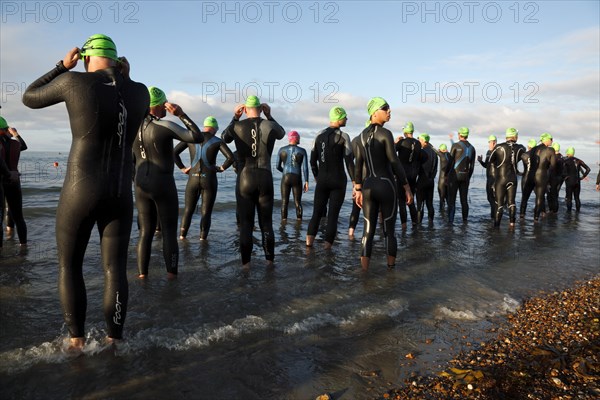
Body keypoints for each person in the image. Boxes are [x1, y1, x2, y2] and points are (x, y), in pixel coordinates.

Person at [22, 34, 149, 350]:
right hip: (120, 192)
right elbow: (124, 97)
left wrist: (61, 66)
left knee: (69, 265)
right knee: (115, 269)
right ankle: (114, 342)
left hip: (81, 189)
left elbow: (29, 97)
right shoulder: (141, 92)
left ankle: (77, 341)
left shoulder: (73, 81)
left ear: (86, 57)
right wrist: (123, 77)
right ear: (118, 60)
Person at [133, 86, 203, 278]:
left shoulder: (133, 127)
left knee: (145, 233)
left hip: (140, 185)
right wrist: (181, 114)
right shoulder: (163, 125)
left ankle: (142, 276)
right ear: (156, 105)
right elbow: (197, 136)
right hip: (162, 183)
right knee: (169, 233)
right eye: (164, 103)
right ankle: (172, 276)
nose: (166, 108)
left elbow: (130, 161)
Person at [221, 96, 285, 269]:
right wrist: (270, 116)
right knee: (266, 224)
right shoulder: (269, 124)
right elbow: (282, 133)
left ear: (245, 109)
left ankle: (246, 266)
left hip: (245, 178)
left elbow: (224, 137)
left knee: (246, 225)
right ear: (261, 108)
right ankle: (270, 262)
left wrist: (235, 117)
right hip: (265, 177)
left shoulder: (237, 125)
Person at [353, 97, 412, 270]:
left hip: (368, 186)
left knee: (367, 230)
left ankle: (364, 274)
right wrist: (406, 186)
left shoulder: (361, 136)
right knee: (389, 231)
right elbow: (394, 162)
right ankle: (390, 273)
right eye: (385, 108)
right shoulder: (385, 134)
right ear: (374, 112)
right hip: (386, 185)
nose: (389, 112)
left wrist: (358, 189)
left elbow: (358, 164)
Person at [174, 116, 234, 241]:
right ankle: (202, 240)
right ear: (215, 129)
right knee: (206, 212)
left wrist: (183, 168)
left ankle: (182, 237)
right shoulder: (217, 141)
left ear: (204, 126)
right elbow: (231, 158)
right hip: (209, 179)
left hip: (193, 179)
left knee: (188, 210)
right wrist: (221, 168)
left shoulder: (191, 138)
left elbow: (174, 153)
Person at [306, 106, 355, 249]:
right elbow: (349, 161)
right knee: (333, 216)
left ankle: (308, 247)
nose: (347, 119)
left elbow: (312, 160)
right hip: (338, 181)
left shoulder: (318, 135)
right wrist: (355, 182)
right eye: (345, 117)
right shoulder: (344, 136)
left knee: (316, 213)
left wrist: (316, 176)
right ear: (339, 119)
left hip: (322, 180)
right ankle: (327, 250)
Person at [487, 128, 526, 227]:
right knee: (511, 202)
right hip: (513, 179)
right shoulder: (521, 148)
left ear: (506, 136)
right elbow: (525, 157)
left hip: (501, 179)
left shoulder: (499, 147)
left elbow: (491, 161)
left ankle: (496, 227)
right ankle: (512, 225)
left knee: (499, 204)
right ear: (516, 136)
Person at [0, 118, 28, 245]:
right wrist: (16, 134)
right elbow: (24, 146)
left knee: (1, 217)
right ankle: (23, 247)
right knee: (18, 216)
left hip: (1, 181)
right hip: (14, 181)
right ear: (7, 130)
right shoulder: (16, 144)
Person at [521, 133, 556, 221]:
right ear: (546, 139)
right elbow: (553, 166)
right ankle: (536, 219)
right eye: (551, 139)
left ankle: (521, 216)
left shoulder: (533, 149)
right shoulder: (550, 150)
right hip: (541, 176)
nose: (552, 141)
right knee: (539, 197)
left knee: (525, 197)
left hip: (530, 175)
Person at [276, 130, 309, 221]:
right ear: (296, 139)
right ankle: (299, 223)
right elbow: (305, 168)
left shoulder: (281, 150)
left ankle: (283, 222)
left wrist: (284, 172)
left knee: (284, 202)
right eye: (299, 138)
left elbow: (277, 166)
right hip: (297, 177)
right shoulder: (302, 151)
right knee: (297, 202)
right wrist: (306, 181)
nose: (300, 139)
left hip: (285, 177)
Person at [394, 121, 421, 228]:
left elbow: (391, 152)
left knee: (401, 201)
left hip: (402, 175)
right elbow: (418, 159)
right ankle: (415, 224)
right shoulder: (418, 143)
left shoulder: (402, 142)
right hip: (413, 175)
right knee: (411, 200)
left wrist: (396, 142)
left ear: (405, 131)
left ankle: (404, 226)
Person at [447, 126, 476, 223]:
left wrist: (447, 174)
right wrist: (468, 177)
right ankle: (465, 222)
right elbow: (472, 167)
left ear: (459, 135)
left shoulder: (455, 145)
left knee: (452, 201)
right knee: (464, 201)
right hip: (465, 177)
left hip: (454, 176)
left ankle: (450, 222)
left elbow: (450, 162)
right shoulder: (472, 148)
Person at [416, 133, 437, 223]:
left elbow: (417, 167)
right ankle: (431, 223)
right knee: (430, 203)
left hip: (421, 180)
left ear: (424, 141)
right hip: (431, 181)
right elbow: (435, 169)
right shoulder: (434, 153)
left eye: (419, 140)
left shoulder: (421, 152)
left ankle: (418, 225)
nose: (418, 142)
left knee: (420, 205)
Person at [562, 147, 590, 212]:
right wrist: (582, 177)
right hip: (577, 181)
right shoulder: (579, 160)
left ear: (568, 153)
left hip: (569, 181)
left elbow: (562, 172)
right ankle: (578, 213)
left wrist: (565, 177)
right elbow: (588, 169)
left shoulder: (565, 161)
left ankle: (569, 214)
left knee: (569, 199)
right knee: (577, 198)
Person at [477, 135, 497, 219]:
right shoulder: (488, 152)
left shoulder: (498, 151)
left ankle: (494, 217)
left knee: (494, 199)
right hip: (489, 178)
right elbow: (486, 165)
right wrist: (481, 161)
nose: (489, 144)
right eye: (489, 142)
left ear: (494, 142)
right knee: (489, 198)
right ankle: (493, 217)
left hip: (495, 179)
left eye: (490, 142)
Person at [546, 141, 564, 213]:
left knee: (550, 195)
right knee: (556, 195)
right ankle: (555, 211)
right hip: (559, 178)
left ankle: (551, 210)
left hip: (552, 178)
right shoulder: (562, 158)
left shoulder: (553, 158)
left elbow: (550, 169)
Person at [435, 143, 452, 210]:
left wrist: (428, 143)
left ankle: (441, 214)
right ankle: (449, 214)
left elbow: (434, 150)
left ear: (441, 149)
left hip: (442, 179)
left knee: (441, 198)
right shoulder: (450, 156)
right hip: (449, 180)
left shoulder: (441, 155)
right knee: (448, 198)